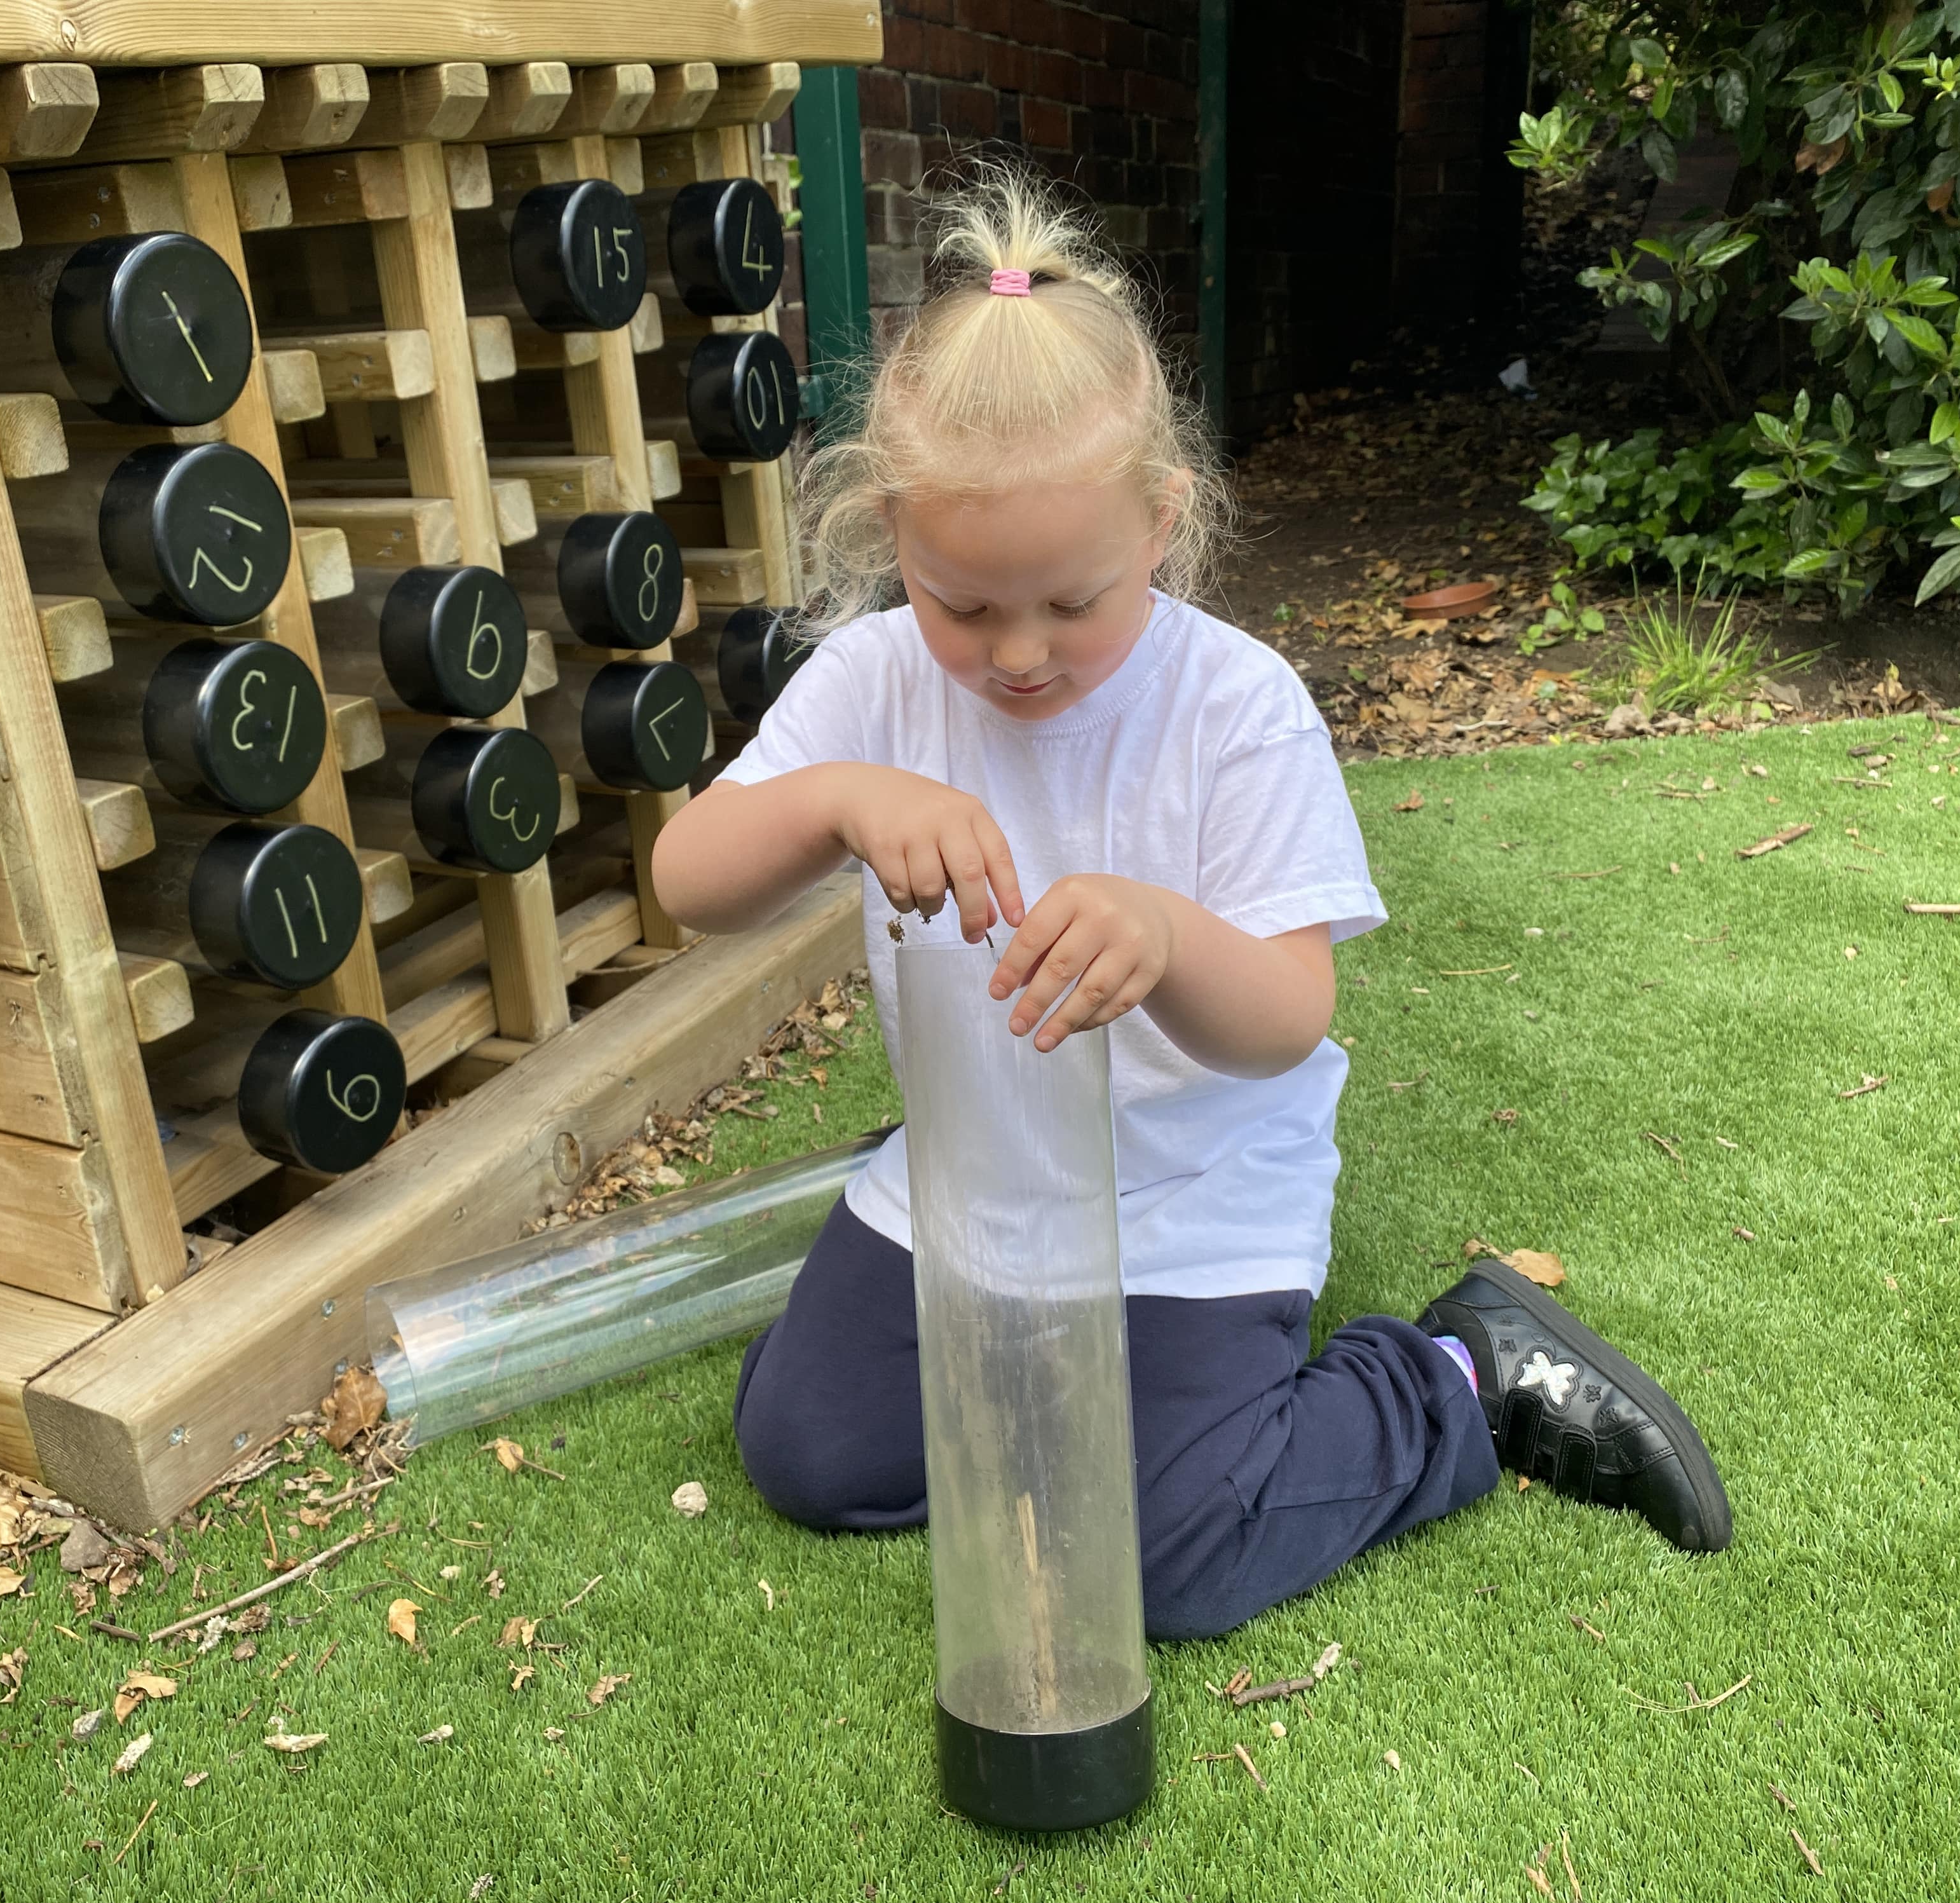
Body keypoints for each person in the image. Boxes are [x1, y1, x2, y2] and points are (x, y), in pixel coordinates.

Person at [648, 171, 1729, 1640]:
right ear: (892, 530)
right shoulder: (873, 679)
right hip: (972, 1180)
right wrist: (840, 801)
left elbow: (1289, 1020)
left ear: (1164, 518)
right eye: (965, 603)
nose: (1018, 653)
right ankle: (1061, 1382)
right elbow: (687, 882)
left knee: (1168, 1560)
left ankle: (1456, 1377)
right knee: (806, 1455)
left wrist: (1162, 937)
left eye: (1071, 602)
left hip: (1192, 1193)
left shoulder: (1237, 707)